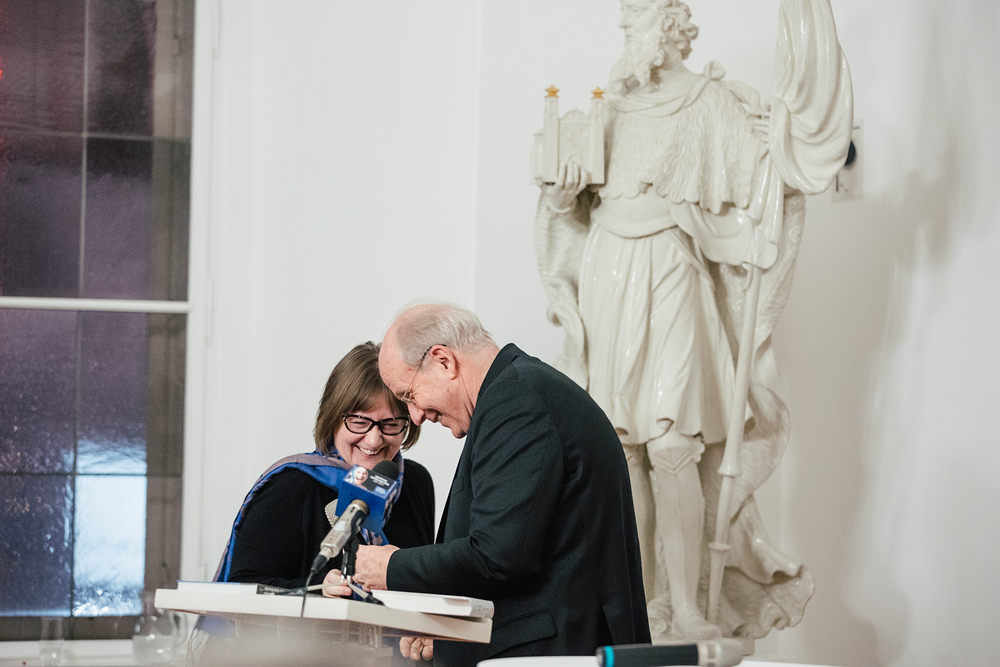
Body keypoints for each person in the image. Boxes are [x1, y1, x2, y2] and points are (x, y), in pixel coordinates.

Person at [534, 0, 850, 642]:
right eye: (625, 20)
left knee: (674, 445)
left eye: (639, 18)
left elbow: (764, 180)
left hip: (673, 273)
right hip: (608, 275)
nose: (626, 28)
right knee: (621, 448)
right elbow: (568, 206)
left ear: (672, 30)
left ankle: (687, 605)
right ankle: (644, 605)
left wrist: (778, 138)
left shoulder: (712, 102)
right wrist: (561, 194)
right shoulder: (610, 107)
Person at [354, 303, 650, 666]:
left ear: (443, 361)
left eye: (409, 395)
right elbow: (527, 554)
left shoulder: (516, 401)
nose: (416, 416)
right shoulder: (520, 391)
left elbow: (497, 555)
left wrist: (391, 567)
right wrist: (448, 625)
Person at [210, 341, 435, 593]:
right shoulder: (291, 485)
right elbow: (242, 587)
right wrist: (318, 589)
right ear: (333, 418)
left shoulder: (415, 483)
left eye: (391, 424)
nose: (374, 440)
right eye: (359, 422)